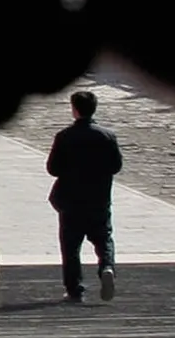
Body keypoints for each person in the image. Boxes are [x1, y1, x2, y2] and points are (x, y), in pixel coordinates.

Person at [47, 89, 123, 303]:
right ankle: (106, 267)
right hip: (98, 198)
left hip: (71, 201)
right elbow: (116, 166)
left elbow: (53, 168)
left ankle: (74, 289)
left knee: (70, 246)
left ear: (74, 110)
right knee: (104, 238)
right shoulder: (108, 136)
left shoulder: (64, 137)